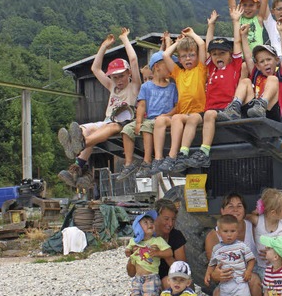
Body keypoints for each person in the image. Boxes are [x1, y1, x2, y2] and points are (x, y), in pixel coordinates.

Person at [161, 6, 244, 173]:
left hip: (223, 110)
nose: (218, 56)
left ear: (230, 55)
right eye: (215, 54)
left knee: (208, 114)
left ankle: (204, 151)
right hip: (205, 111)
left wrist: (234, 21)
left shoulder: (231, 66)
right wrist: (178, 42)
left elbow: (205, 44)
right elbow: (166, 56)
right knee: (193, 118)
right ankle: (183, 153)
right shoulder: (210, 68)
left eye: (222, 53)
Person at [58, 27, 141, 188]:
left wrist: (124, 39)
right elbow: (95, 69)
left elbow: (134, 61)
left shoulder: (134, 86)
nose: (119, 81)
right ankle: (75, 153)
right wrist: (104, 46)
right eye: (115, 77)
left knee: (106, 130)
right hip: (107, 120)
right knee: (83, 128)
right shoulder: (112, 87)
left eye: (122, 76)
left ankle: (81, 145)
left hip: (122, 122)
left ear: (129, 73)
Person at [149, 28, 207, 175]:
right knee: (161, 121)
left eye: (192, 55)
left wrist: (192, 34)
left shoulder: (200, 69)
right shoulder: (178, 73)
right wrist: (178, 43)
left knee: (176, 117)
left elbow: (201, 45)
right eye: (184, 56)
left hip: (197, 113)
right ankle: (158, 159)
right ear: (179, 60)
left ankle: (173, 155)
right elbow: (166, 55)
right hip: (182, 114)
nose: (188, 59)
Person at [204, 193, 264, 296]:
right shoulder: (214, 236)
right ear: (222, 211)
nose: (235, 210)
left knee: (254, 280)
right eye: (230, 206)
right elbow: (211, 266)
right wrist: (214, 275)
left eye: (239, 206)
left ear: (244, 210)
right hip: (228, 277)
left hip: (250, 274)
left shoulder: (252, 227)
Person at [117, 51, 178, 180]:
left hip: (163, 119)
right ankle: (128, 163)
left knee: (147, 126)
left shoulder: (173, 87)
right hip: (149, 117)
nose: (172, 68)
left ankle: (147, 161)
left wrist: (167, 115)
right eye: (168, 65)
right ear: (157, 67)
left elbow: (177, 106)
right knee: (127, 129)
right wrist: (138, 121)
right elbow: (142, 105)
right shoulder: (146, 86)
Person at [216, 18, 282, 121]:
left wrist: (281, 32)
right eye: (262, 61)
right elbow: (247, 56)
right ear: (258, 65)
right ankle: (234, 108)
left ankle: (262, 104)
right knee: (246, 81)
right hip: (253, 111)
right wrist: (244, 36)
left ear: (277, 60)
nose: (265, 63)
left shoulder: (279, 76)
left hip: (271, 111)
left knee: (272, 79)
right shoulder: (256, 74)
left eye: (269, 59)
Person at [126, 211, 173, 296]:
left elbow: (169, 252)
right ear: (137, 227)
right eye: (145, 222)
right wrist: (130, 253)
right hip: (137, 278)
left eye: (151, 222)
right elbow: (127, 251)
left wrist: (157, 253)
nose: (150, 224)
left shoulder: (157, 240)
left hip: (151, 277)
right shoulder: (134, 242)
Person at [126, 199, 188, 289]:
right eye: (166, 219)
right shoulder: (140, 239)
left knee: (171, 283)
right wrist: (133, 256)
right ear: (155, 219)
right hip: (147, 281)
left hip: (171, 280)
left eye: (173, 219)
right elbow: (131, 273)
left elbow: (183, 271)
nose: (170, 224)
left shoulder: (176, 236)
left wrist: (163, 253)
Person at [246, 188, 282, 281]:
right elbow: (242, 218)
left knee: (280, 289)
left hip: (280, 266)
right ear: (273, 212)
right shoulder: (258, 220)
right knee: (265, 290)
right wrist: (255, 212)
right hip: (261, 266)